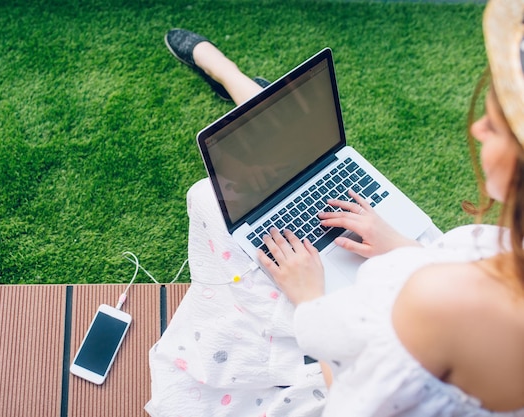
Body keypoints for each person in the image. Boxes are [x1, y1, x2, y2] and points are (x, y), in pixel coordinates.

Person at [146, 0, 524, 415]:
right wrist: (398, 244)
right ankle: (245, 91)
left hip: (334, 364)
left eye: (497, 124)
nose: (477, 128)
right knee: (315, 174)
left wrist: (310, 298)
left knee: (209, 199)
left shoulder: (436, 305)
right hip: (401, 287)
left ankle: (241, 87)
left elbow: (349, 402)